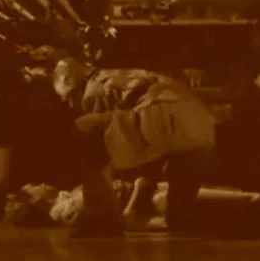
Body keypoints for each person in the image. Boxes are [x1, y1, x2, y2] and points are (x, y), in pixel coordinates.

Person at [50, 57, 218, 236]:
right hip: (202, 125)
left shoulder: (94, 90)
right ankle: (181, 216)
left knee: (84, 128)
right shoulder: (123, 74)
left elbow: (105, 147)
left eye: (69, 98)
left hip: (164, 119)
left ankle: (101, 217)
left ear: (77, 85)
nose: (70, 105)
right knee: (181, 175)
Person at [3, 178, 260, 233]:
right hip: (161, 204)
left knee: (249, 196)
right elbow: (125, 221)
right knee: (254, 203)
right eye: (30, 188)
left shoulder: (68, 196)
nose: (36, 182)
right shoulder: (66, 210)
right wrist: (140, 187)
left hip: (162, 193)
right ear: (35, 201)